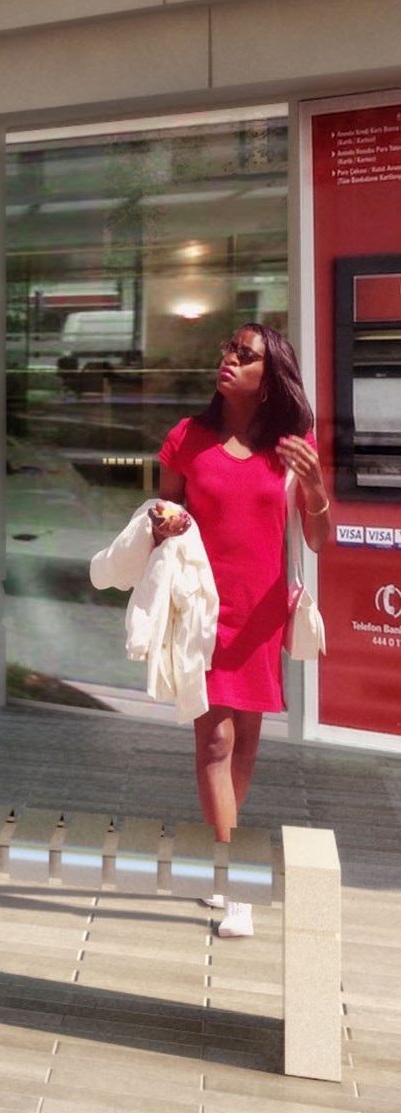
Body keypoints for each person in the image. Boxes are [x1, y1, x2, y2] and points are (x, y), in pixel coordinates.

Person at [149, 322, 335, 940]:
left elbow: (316, 538)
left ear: (268, 375)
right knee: (216, 743)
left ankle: (218, 858)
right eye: (227, 350)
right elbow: (165, 519)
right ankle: (234, 876)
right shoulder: (188, 437)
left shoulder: (291, 443)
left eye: (244, 354)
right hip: (203, 610)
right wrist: (162, 524)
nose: (228, 358)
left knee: (247, 740)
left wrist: (312, 487)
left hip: (261, 613)